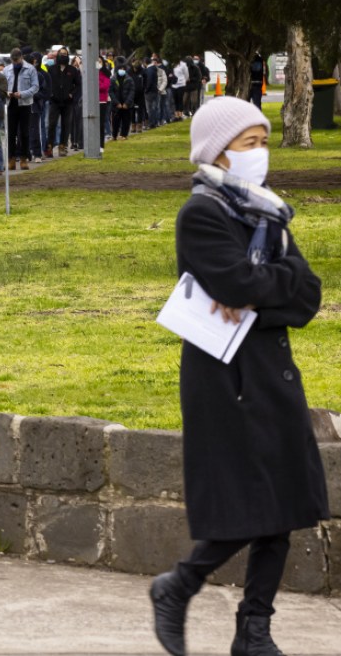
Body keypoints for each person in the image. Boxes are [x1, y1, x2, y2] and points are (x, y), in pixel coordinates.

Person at [149, 97, 328, 656]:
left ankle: (255, 630)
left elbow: (308, 295)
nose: (261, 154)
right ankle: (179, 585)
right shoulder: (201, 213)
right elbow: (236, 284)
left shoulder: (269, 212)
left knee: (285, 507)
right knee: (246, 504)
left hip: (273, 374)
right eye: (250, 144)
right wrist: (264, 286)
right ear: (218, 152)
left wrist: (259, 290)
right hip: (227, 380)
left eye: (264, 142)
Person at [4, 48, 38, 171]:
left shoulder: (30, 69)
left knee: (24, 133)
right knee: (11, 134)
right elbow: (2, 86)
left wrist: (23, 94)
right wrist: (6, 93)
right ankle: (11, 159)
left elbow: (35, 87)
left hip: (25, 104)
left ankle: (24, 158)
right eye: (13, 60)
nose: (15, 62)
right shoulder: (6, 69)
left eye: (17, 60)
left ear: (21, 57)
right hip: (11, 104)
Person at [45, 49, 77, 158]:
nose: (63, 56)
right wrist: (51, 94)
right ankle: (49, 147)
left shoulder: (72, 70)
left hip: (68, 102)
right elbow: (47, 84)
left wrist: (71, 94)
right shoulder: (51, 69)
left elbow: (78, 85)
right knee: (52, 124)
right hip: (54, 101)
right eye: (61, 54)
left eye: (65, 54)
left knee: (65, 125)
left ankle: (62, 146)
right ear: (57, 55)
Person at [109, 61, 136, 141]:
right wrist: (116, 103)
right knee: (115, 121)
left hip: (127, 105)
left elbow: (132, 91)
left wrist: (127, 103)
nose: (122, 70)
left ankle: (124, 135)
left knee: (126, 121)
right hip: (116, 105)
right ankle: (114, 136)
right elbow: (110, 91)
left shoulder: (129, 79)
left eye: (123, 69)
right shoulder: (113, 79)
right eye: (120, 69)